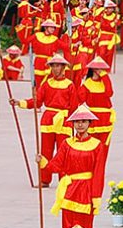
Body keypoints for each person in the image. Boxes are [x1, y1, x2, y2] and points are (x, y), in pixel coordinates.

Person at [11, 53, 77, 186]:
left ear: (63, 67)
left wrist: (73, 124)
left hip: (63, 120)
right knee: (45, 151)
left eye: (58, 66)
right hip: (48, 120)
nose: (55, 69)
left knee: (63, 151)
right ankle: (44, 179)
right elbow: (37, 101)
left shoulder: (70, 85)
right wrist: (20, 103)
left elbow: (74, 106)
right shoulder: (46, 84)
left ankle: (63, 180)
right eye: (53, 66)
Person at [45, 105, 108, 228]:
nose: (80, 125)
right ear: (73, 124)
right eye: (77, 122)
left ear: (89, 123)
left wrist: (96, 197)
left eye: (84, 121)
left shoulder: (97, 145)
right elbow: (56, 165)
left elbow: (98, 173)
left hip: (86, 191)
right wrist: (43, 162)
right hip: (69, 189)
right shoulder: (67, 143)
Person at [78, 57, 116, 146]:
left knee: (104, 145)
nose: (100, 71)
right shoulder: (88, 83)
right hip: (93, 117)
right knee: (91, 144)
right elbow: (80, 99)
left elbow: (109, 93)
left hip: (105, 117)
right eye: (98, 69)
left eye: (101, 69)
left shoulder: (105, 81)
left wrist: (104, 76)